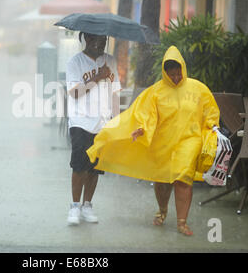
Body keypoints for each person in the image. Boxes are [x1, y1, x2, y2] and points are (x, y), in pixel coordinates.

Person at [87, 46, 220, 236]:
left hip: (189, 141)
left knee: (183, 178)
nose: (175, 78)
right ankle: (163, 210)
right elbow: (144, 113)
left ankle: (182, 222)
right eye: (171, 74)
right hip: (162, 142)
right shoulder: (155, 91)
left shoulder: (199, 89)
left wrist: (213, 125)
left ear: (183, 68)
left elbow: (210, 111)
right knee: (163, 180)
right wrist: (141, 127)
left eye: (178, 73)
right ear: (165, 73)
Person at [66, 32, 121, 225]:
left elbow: (115, 93)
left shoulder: (111, 61)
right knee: (79, 166)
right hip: (81, 121)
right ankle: (74, 207)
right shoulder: (75, 63)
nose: (102, 45)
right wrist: (97, 76)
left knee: (95, 167)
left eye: (105, 41)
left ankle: (87, 205)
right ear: (87, 39)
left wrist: (116, 121)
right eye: (98, 41)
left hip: (103, 122)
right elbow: (74, 93)